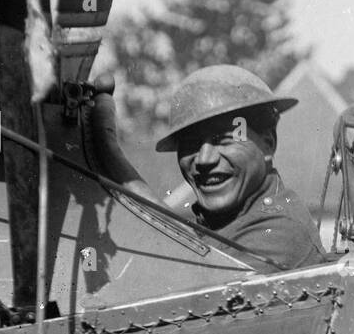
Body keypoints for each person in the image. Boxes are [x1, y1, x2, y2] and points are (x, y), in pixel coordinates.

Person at [89, 65, 328, 272]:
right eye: (191, 144)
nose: (204, 159)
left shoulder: (280, 233)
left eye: (223, 139)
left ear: (268, 144)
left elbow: (194, 282)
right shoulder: (223, 221)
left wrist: (108, 147)